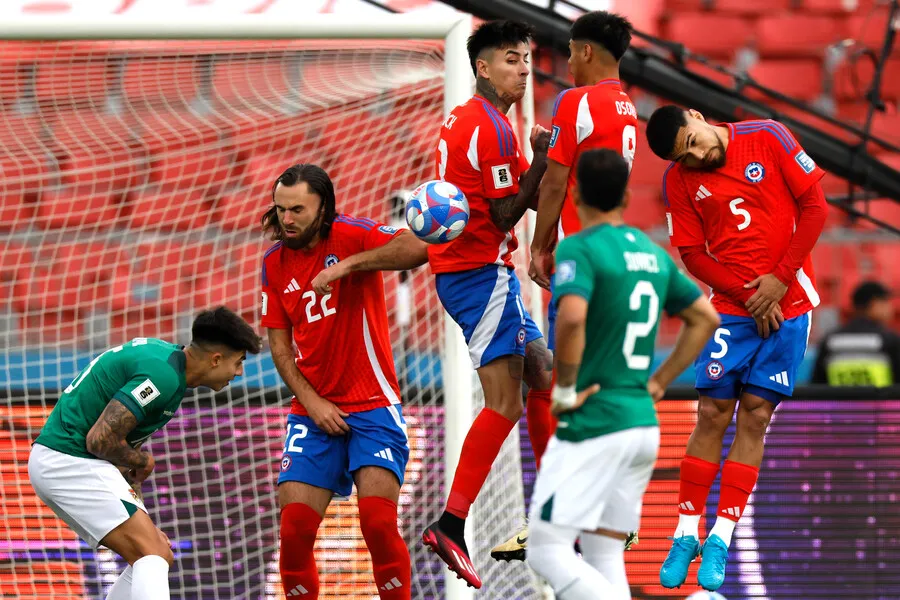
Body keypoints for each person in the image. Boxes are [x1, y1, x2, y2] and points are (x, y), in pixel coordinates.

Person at [645, 105, 828, 591]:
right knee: (711, 413)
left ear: (697, 115)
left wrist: (779, 281)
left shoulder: (768, 136)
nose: (696, 156)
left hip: (789, 304)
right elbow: (691, 253)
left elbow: (816, 208)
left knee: (755, 416)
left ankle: (721, 538)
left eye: (693, 142)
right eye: (684, 156)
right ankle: (685, 532)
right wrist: (750, 297)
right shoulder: (678, 181)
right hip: (732, 306)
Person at [526, 148, 719, 600]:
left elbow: (572, 317)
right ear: (627, 197)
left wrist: (565, 388)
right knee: (604, 552)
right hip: (640, 424)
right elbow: (705, 318)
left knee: (545, 549)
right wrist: (659, 381)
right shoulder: (652, 254)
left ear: (574, 195)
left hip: (595, 419)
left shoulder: (579, 247)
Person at [420, 20, 555, 586]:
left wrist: (542, 169)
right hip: (479, 275)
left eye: (525, 59)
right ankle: (451, 524)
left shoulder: (470, 117)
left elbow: (509, 195)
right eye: (510, 59)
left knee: (542, 372)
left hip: (477, 272)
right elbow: (504, 213)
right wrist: (543, 158)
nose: (522, 70)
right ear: (482, 67)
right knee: (504, 402)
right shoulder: (491, 127)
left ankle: (554, 509)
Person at [261, 164, 429, 600]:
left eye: (297, 210)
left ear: (324, 209)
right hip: (312, 410)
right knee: (294, 532)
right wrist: (313, 403)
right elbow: (279, 348)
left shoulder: (351, 234)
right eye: (281, 209)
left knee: (377, 523)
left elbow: (417, 247)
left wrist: (348, 266)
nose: (287, 219)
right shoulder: (273, 263)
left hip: (373, 404)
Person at [28, 307, 262, 600]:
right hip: (68, 461)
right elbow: (99, 440)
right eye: (238, 362)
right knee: (151, 553)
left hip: (71, 462)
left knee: (157, 553)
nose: (239, 373)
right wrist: (143, 460)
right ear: (216, 359)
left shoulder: (168, 365)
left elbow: (117, 446)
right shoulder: (163, 376)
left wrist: (135, 482)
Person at [529, 9, 637, 293]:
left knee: (569, 322)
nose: (569, 62)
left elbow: (555, 184)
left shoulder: (575, 101)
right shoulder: (628, 106)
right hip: (613, 248)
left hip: (578, 251)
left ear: (586, 51)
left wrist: (539, 247)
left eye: (571, 52)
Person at [812, 280, 900, 386]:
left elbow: (817, 386)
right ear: (874, 304)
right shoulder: (890, 341)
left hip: (840, 397)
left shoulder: (830, 340)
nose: (891, 308)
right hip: (878, 398)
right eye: (886, 302)